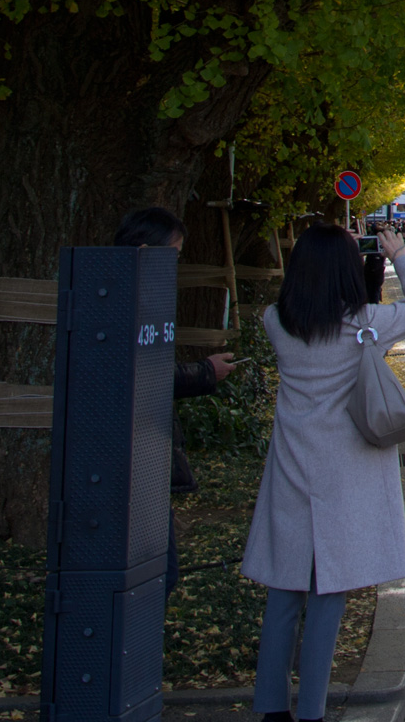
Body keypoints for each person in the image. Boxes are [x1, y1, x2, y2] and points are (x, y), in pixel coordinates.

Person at [242, 225, 405, 722]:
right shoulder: (364, 322)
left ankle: (270, 708)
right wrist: (400, 256)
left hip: (292, 463)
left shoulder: (275, 321)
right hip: (347, 466)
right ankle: (312, 710)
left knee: (284, 590)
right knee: (330, 590)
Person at [111, 206, 236, 598]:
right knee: (159, 571)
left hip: (144, 452)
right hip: (130, 455)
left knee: (161, 569)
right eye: (175, 255)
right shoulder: (118, 300)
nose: (177, 265)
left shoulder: (136, 294)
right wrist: (203, 373)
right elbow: (139, 377)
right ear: (148, 250)